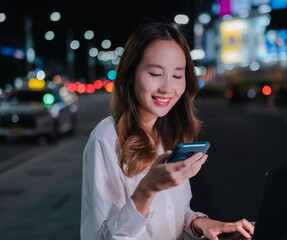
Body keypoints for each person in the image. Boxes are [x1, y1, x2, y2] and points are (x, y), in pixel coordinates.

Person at [81, 19, 255, 240]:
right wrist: (148, 189)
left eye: (177, 76)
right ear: (130, 74)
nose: (167, 88)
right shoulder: (107, 137)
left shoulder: (167, 134)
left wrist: (202, 223)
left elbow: (177, 212)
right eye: (155, 74)